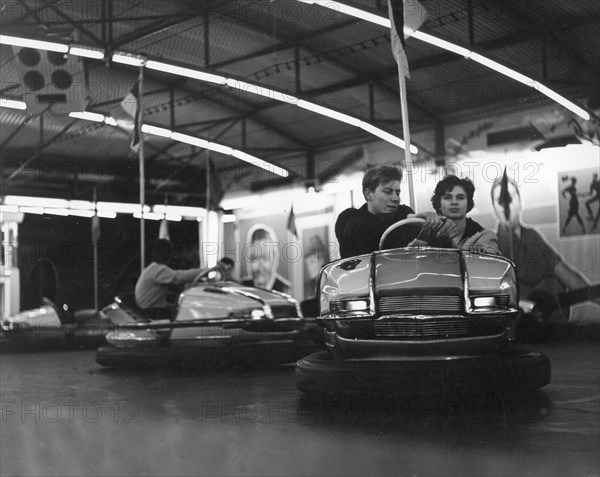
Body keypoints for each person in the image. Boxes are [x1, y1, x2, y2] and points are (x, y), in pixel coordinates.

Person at [491, 170, 599, 321]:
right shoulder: (489, 246)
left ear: (521, 202)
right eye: (500, 200)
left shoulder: (532, 236)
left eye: (510, 198)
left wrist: (595, 295)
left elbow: (564, 273)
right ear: (494, 208)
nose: (506, 205)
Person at [335, 164, 454, 258]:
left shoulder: (404, 213)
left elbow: (427, 242)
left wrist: (440, 227)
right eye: (388, 192)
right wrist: (409, 218)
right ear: (369, 194)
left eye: (398, 193)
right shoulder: (348, 218)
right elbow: (359, 231)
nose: (395, 198)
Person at [135, 239, 222, 320]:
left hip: (146, 310)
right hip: (150, 312)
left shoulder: (151, 269)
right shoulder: (158, 270)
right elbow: (182, 276)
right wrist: (209, 270)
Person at [425, 175, 499, 254]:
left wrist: (484, 254)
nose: (454, 202)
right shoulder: (427, 235)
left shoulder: (484, 236)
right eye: (447, 197)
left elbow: (492, 258)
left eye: (460, 197)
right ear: (439, 204)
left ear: (468, 203)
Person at [242, 226, 291, 293]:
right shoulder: (241, 289)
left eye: (265, 257)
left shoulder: (287, 292)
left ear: (275, 259)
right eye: (254, 258)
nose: (260, 265)